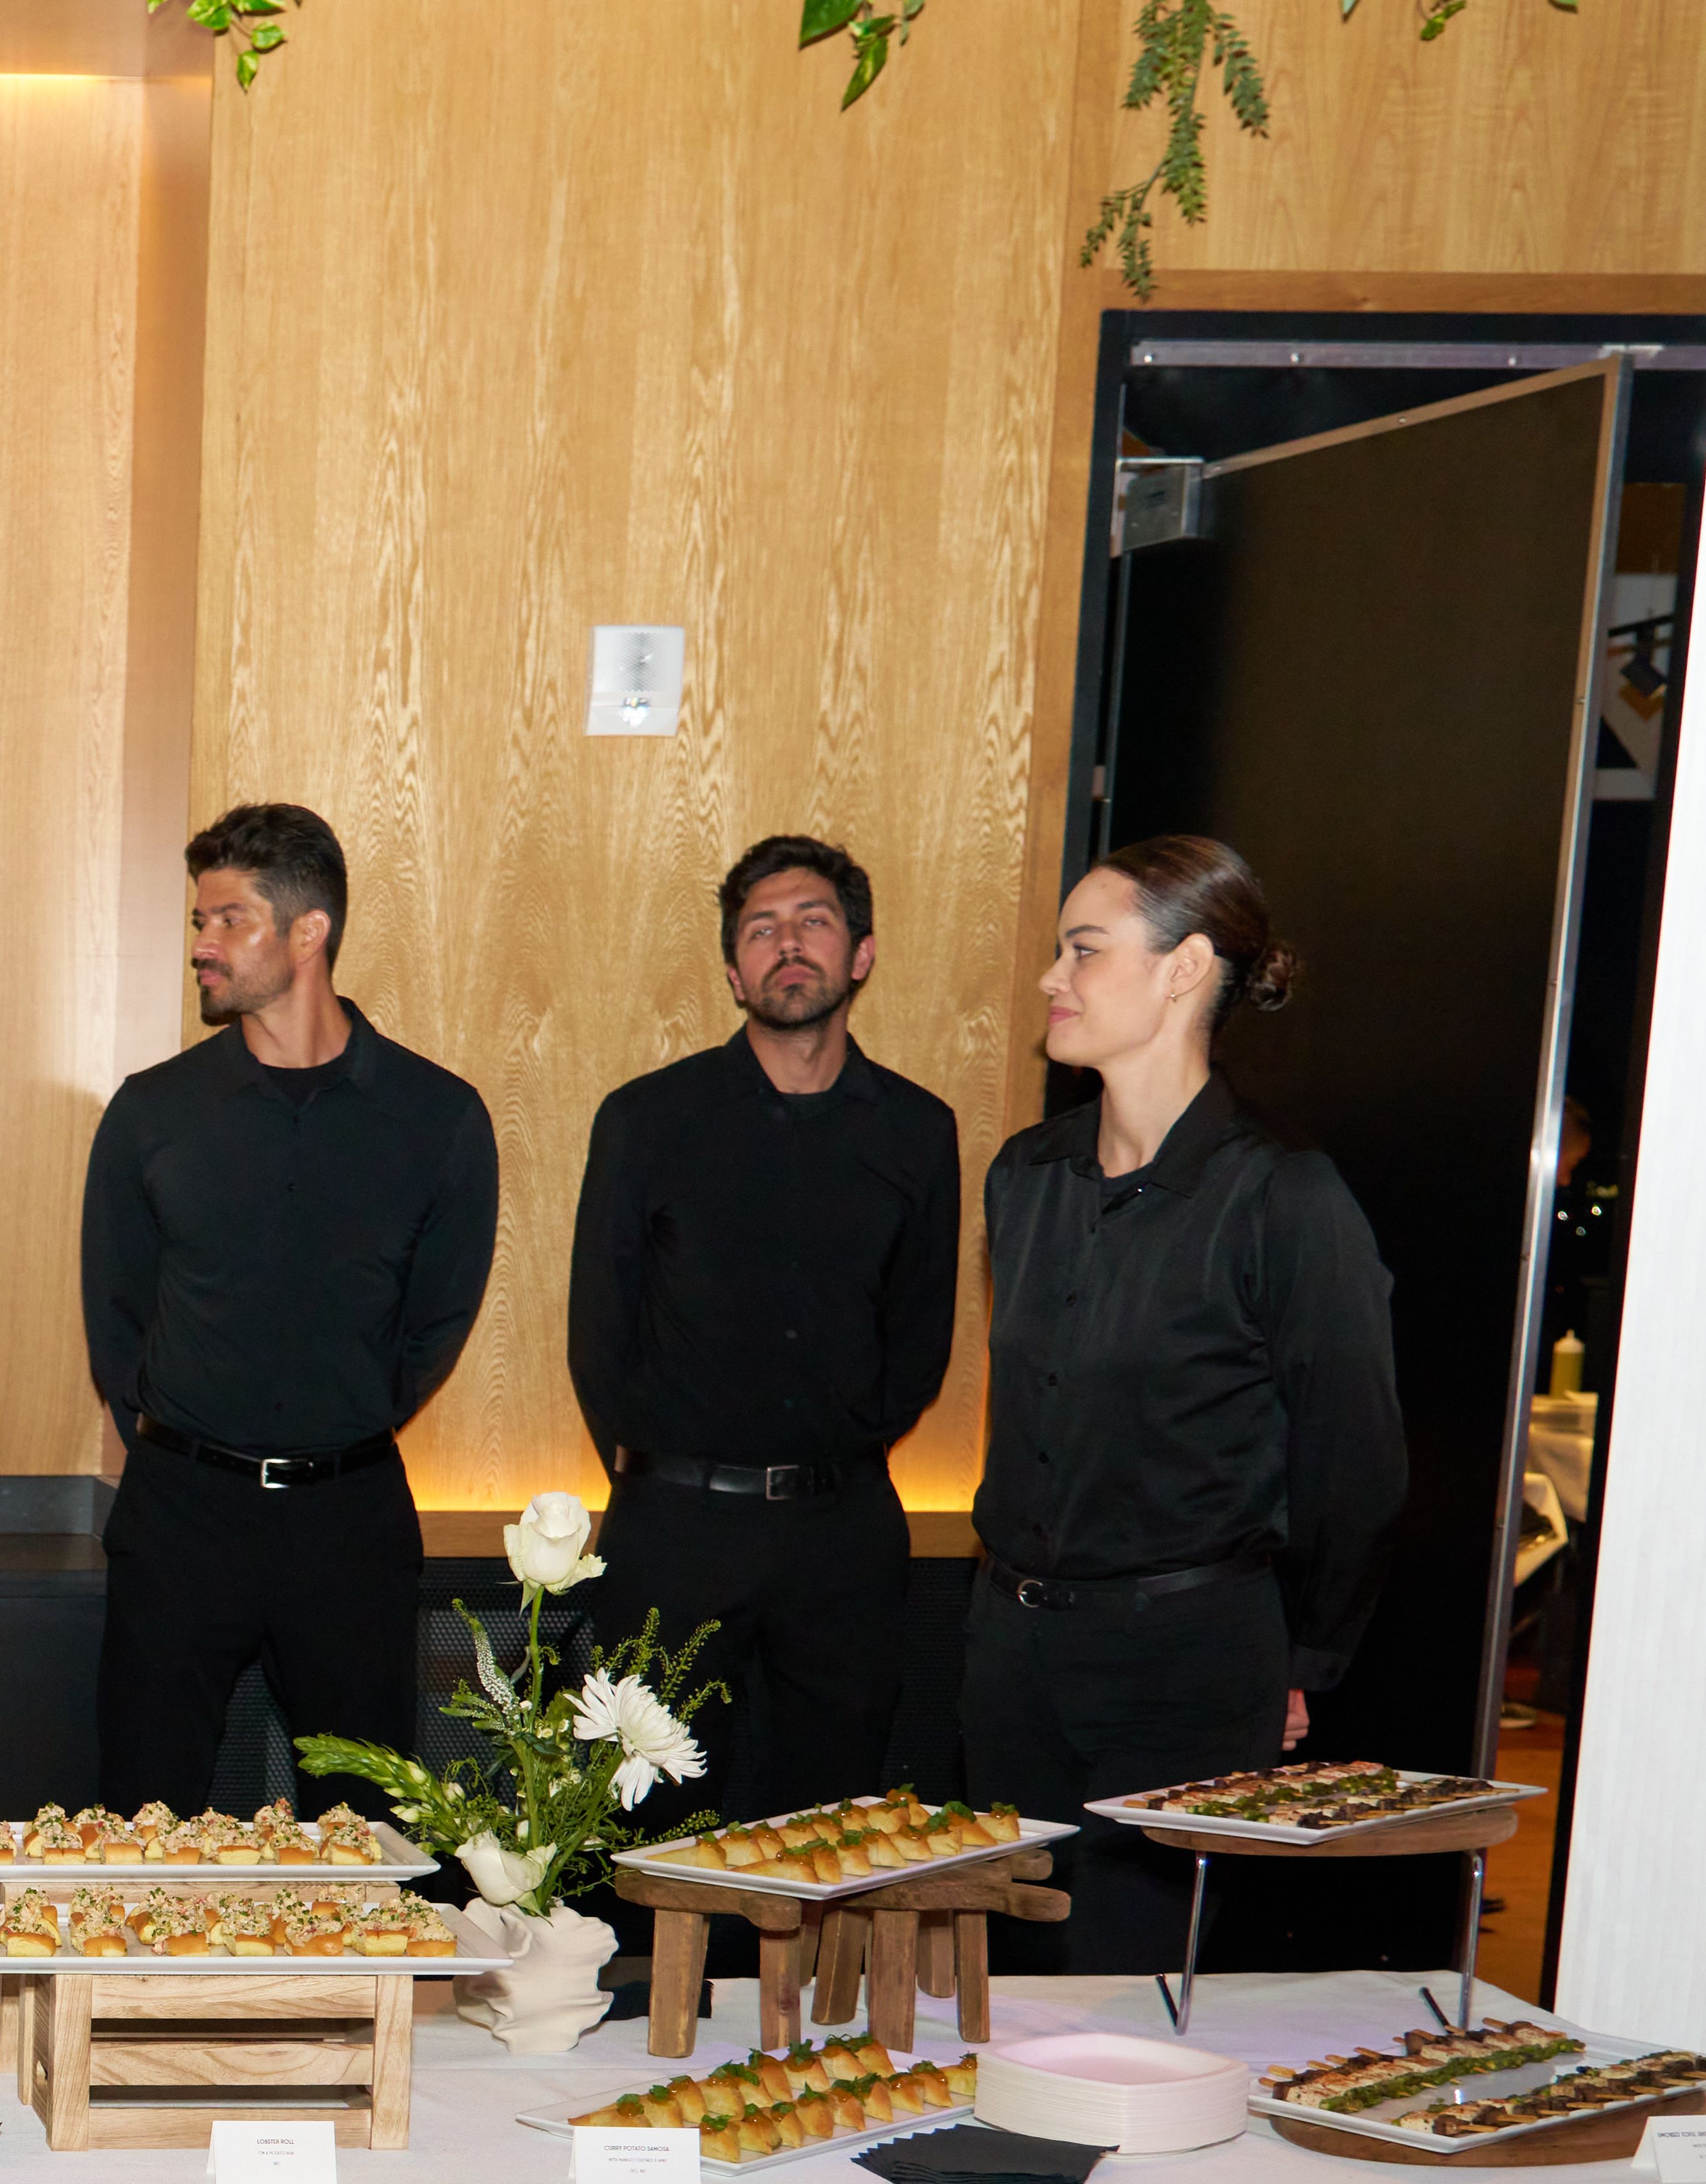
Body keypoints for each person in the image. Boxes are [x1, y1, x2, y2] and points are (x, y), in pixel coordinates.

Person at [967, 836, 1405, 1971]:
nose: (1051, 979)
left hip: (1182, 1664)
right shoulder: (1025, 1173)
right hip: (1010, 1654)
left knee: (1130, 1996)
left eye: (1083, 949)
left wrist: (1303, 1658)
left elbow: (1354, 1461)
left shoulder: (1283, 1196)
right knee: (1006, 1991)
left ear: (1182, 968)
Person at [78, 802, 500, 1808]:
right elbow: (116, 1318)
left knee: (369, 1832)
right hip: (182, 1515)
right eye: (198, 921)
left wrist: (339, 1419)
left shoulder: (436, 1116)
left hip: (348, 1523)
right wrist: (190, 1436)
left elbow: (436, 1321)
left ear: (308, 932)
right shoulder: (151, 1113)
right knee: (144, 1817)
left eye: (228, 920)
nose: (201, 946)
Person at [567, 835, 960, 1836]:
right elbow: (598, 1332)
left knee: (831, 1826)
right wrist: (655, 1480)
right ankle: (659, 1999)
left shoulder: (919, 1130)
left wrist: (841, 1445)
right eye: (762, 930)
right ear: (735, 969)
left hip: (845, 1532)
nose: (789, 946)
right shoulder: (648, 1119)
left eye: (814, 923)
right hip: (676, 1530)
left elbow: (920, 1334)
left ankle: (799, 2005)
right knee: (645, 1824)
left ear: (860, 955)